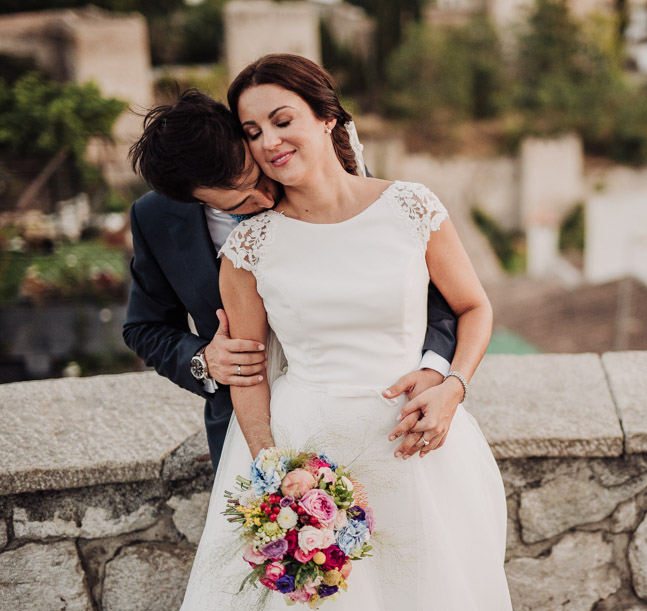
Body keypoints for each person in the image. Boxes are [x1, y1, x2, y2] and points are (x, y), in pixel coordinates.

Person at [156, 54, 519, 611]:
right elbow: (247, 374)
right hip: (307, 454)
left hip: (417, 450)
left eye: (281, 120)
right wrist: (276, 479)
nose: (269, 142)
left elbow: (474, 307)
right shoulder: (248, 248)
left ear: (326, 117)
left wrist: (452, 385)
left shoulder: (411, 206)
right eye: (252, 132)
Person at [124, 90, 458, 470]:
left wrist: (437, 369)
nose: (265, 200)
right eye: (238, 205)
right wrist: (204, 361)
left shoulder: (314, 171)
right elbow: (143, 327)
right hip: (246, 431)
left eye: (257, 178)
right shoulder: (154, 220)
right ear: (193, 199)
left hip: (387, 418)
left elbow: (417, 284)